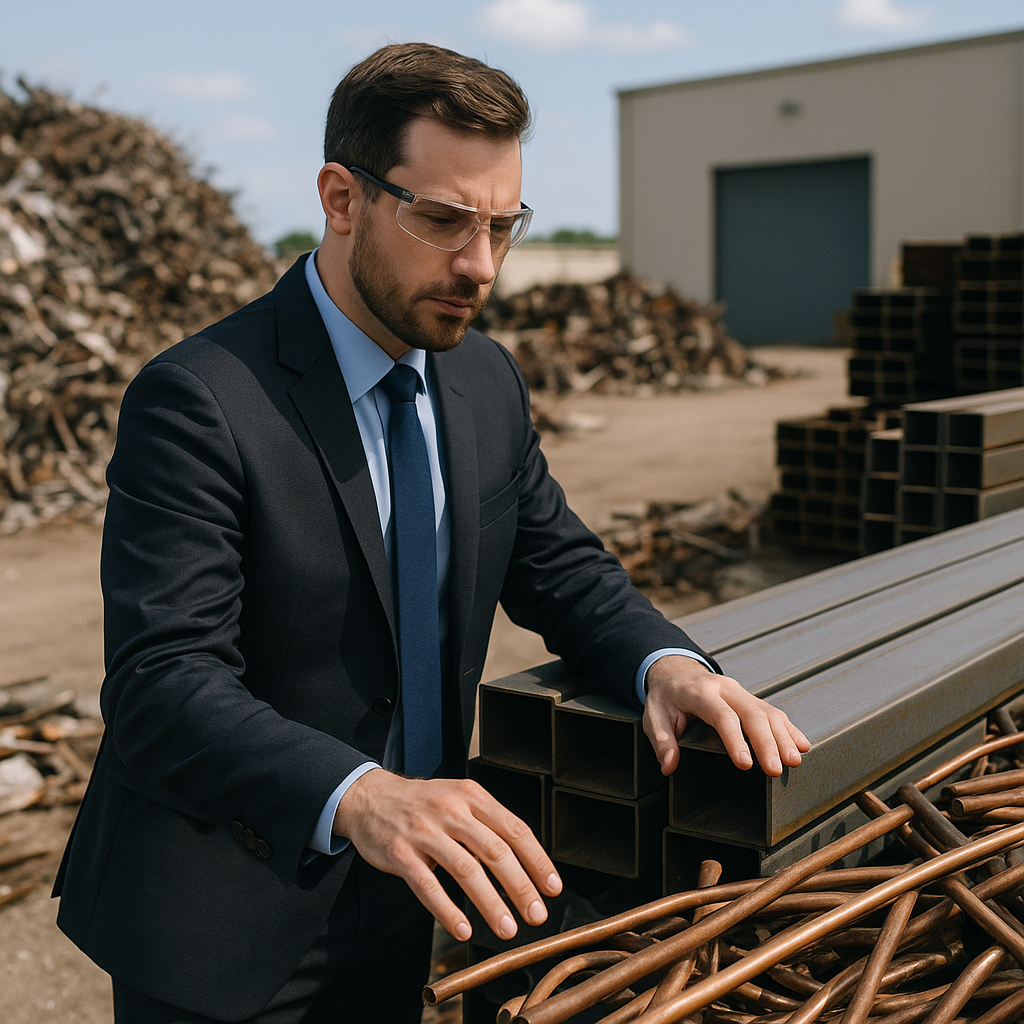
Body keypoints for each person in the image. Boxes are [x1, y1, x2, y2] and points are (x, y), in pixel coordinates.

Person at [53, 42, 809, 1024]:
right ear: (341, 197)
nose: (480, 265)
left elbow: (560, 566)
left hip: (410, 893)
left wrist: (664, 662)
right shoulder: (199, 400)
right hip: (230, 910)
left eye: (503, 225)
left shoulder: (482, 379)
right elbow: (162, 682)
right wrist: (360, 794)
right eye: (445, 220)